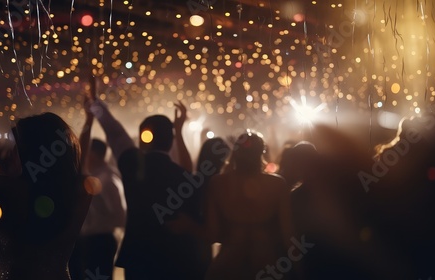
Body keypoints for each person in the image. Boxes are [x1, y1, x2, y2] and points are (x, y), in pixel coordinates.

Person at [87, 91, 206, 279]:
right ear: (170, 142)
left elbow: (115, 133)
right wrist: (179, 130)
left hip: (139, 258)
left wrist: (95, 104)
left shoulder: (133, 165)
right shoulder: (182, 175)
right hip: (176, 258)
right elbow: (187, 169)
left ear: (143, 140)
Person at [0, 112, 91, 280]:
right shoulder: (78, 191)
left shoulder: (12, 190)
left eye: (16, 147)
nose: (11, 152)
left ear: (30, 152)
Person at [204, 132, 298, 280]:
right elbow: (288, 233)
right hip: (267, 263)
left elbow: (213, 234)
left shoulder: (218, 183)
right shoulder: (277, 184)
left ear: (235, 152)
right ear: (262, 152)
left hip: (228, 265)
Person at [69, 139, 126, 280]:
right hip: (91, 241)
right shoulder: (96, 177)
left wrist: (99, 220)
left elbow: (120, 216)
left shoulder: (108, 180)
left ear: (92, 155)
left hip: (100, 242)